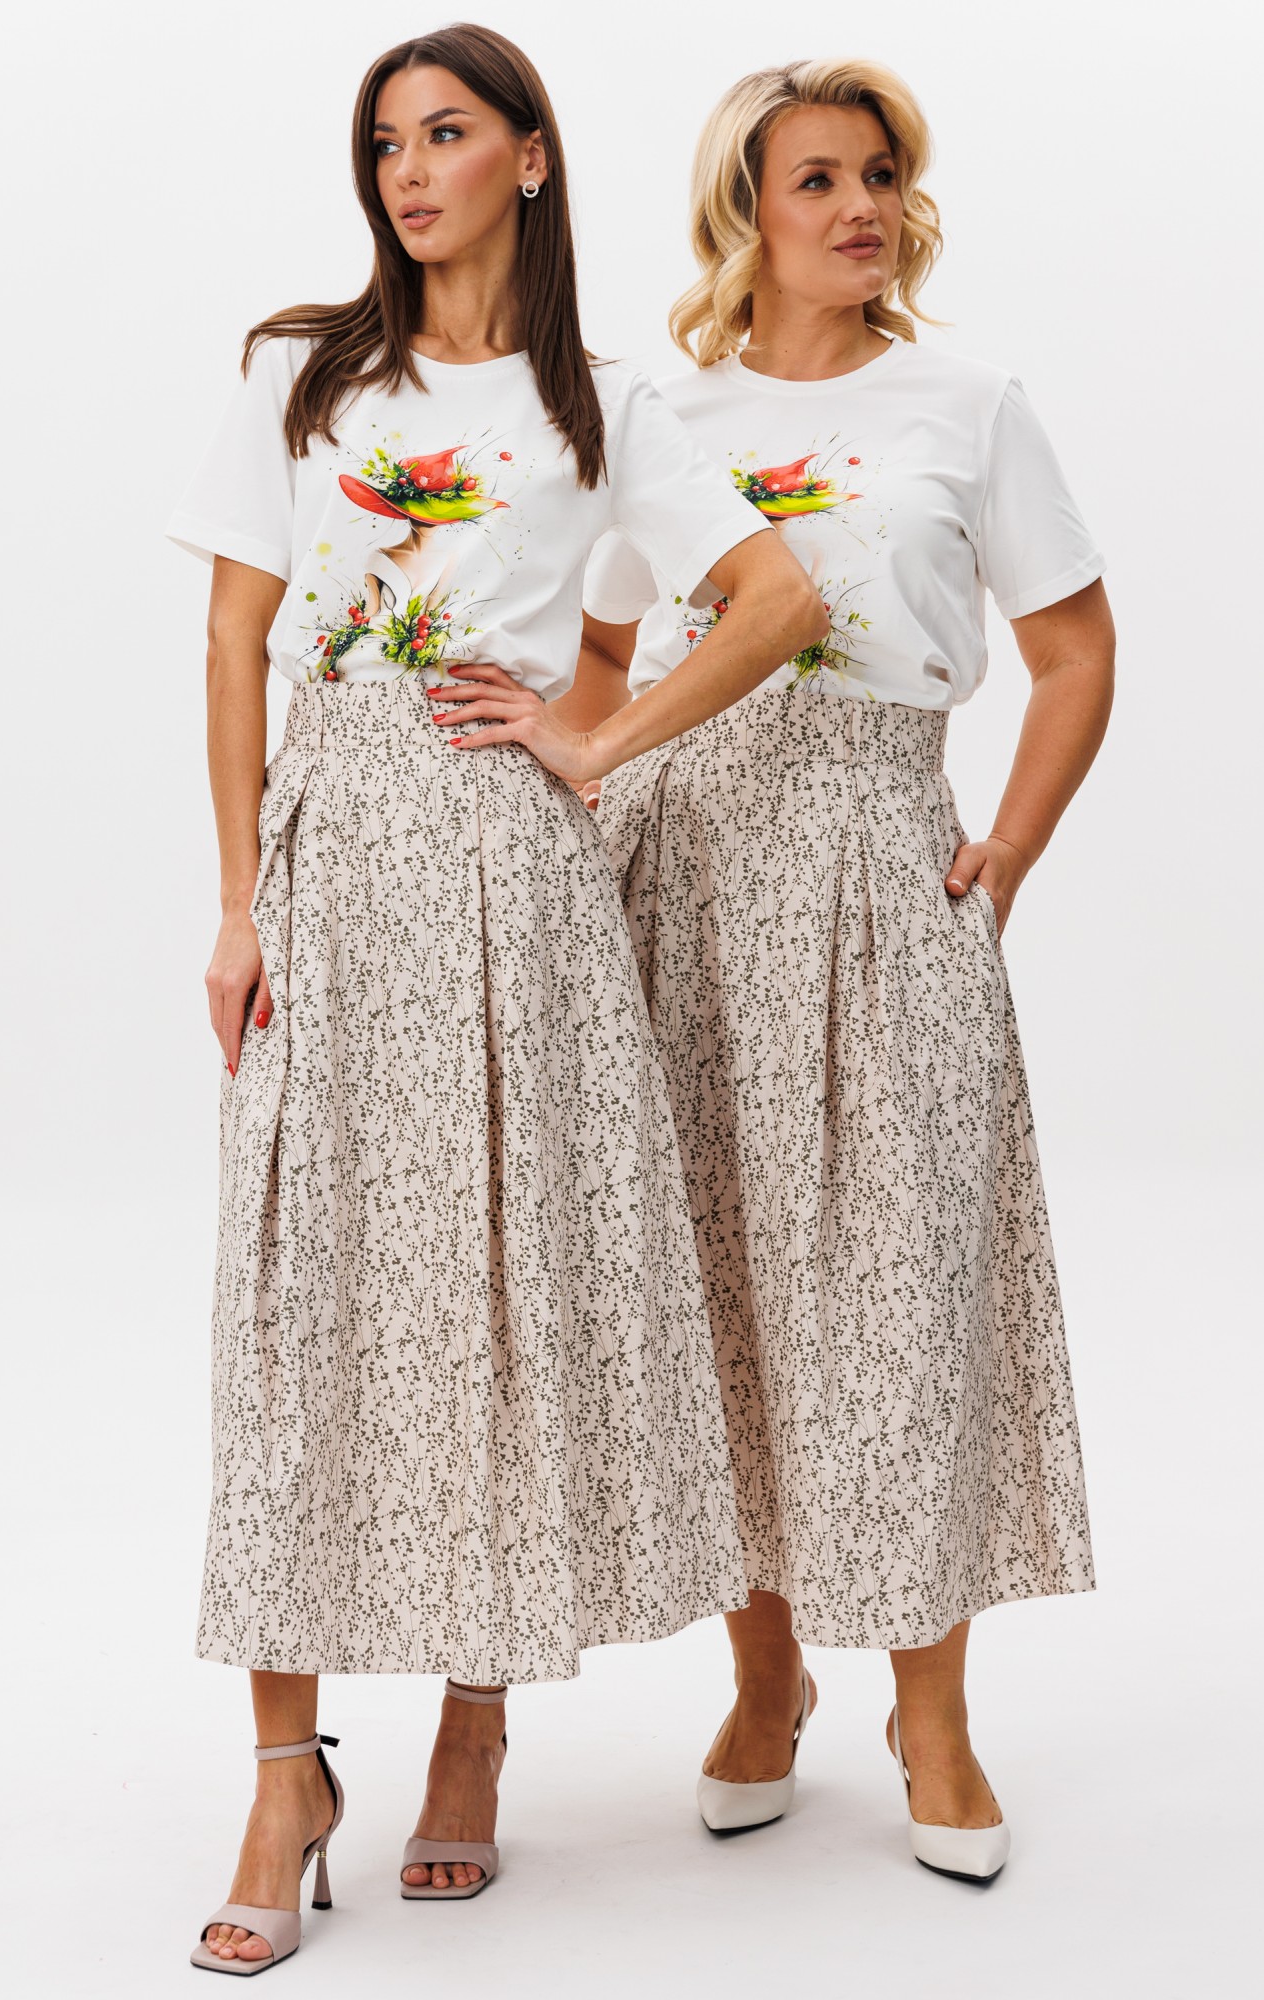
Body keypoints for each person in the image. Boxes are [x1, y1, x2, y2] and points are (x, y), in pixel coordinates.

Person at [165, 24, 825, 1972]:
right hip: (329, 864)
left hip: (510, 883)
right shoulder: (302, 373)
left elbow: (777, 601)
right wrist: (237, 904)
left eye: (445, 133)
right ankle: (282, 1772)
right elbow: (233, 637)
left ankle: (472, 1723)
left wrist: (589, 742)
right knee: (295, 1307)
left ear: (528, 159)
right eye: (384, 141)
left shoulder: (605, 407)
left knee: (492, 1295)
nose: (407, 170)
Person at [567, 58, 1114, 1883]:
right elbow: (601, 657)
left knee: (897, 1293)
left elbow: (1075, 651)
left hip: (881, 864)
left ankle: (929, 1713)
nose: (861, 207)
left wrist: (1004, 851)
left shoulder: (967, 402)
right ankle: (765, 1679)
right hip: (681, 874)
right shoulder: (657, 411)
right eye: (815, 179)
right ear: (744, 210)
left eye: (878, 174)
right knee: (717, 1290)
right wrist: (564, 775)